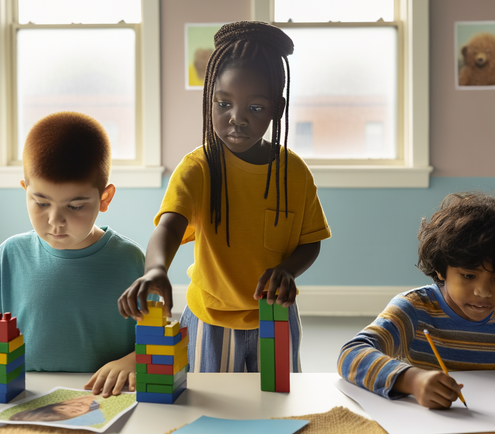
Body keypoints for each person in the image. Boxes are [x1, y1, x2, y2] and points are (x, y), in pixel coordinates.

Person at [118, 21, 331, 372]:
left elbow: (311, 241)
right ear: (209, 100)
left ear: (277, 108)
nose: (237, 119)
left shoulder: (293, 172)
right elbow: (170, 227)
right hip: (211, 320)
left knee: (279, 406)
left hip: (275, 317)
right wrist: (156, 269)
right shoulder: (198, 168)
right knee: (213, 406)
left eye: (256, 108)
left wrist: (288, 270)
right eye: (224, 103)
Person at [0, 112, 147, 399]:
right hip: (24, 398)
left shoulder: (131, 260)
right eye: (41, 203)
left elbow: (158, 336)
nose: (55, 221)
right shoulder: (10, 255)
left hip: (108, 397)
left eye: (75, 206)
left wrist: (130, 362)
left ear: (105, 198)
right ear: (26, 191)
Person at [338, 192, 495, 409]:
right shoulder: (415, 309)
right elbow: (351, 354)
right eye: (469, 276)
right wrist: (413, 381)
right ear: (441, 270)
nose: (484, 291)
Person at [9, 394, 104, 424]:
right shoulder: (96, 406)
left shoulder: (72, 397)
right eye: (75, 411)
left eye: (62, 408)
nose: (74, 406)